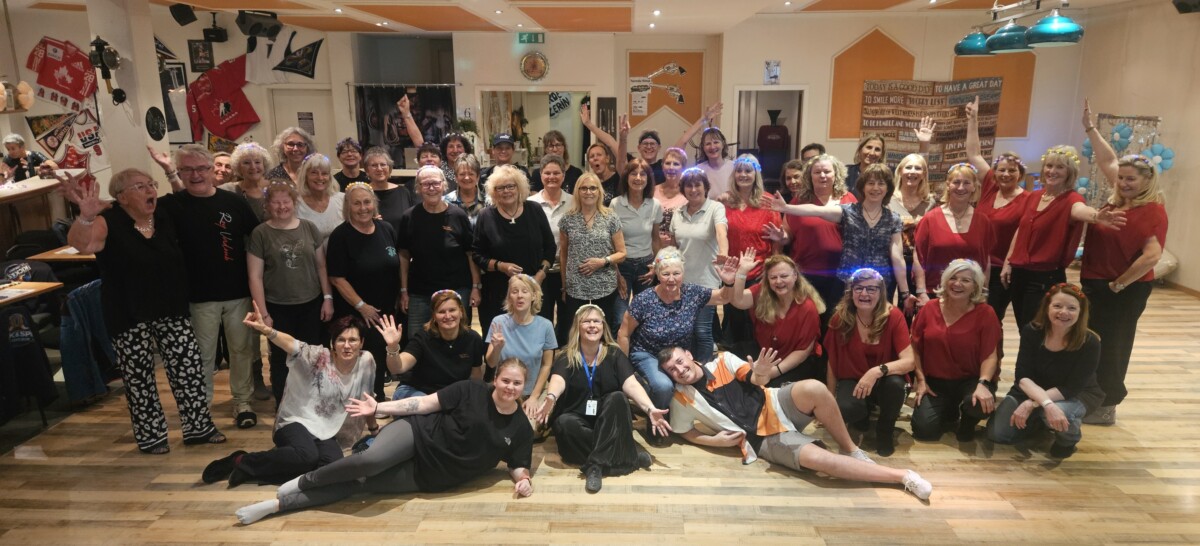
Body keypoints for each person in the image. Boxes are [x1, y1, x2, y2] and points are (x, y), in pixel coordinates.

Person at [234, 358, 535, 525]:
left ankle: (276, 506)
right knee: (370, 461)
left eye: (517, 383)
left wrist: (523, 480)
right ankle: (304, 480)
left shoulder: (521, 427)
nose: (509, 387)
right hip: (417, 434)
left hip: (432, 475)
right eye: (505, 380)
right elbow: (423, 404)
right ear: (495, 379)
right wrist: (379, 407)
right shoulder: (471, 389)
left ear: (525, 386)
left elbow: (518, 464)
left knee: (358, 485)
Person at [60, 169, 224, 454]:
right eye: (140, 186)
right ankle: (151, 436)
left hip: (171, 306)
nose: (150, 190)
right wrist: (85, 216)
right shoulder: (109, 220)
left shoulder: (163, 215)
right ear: (122, 197)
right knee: (138, 377)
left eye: (151, 184)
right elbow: (83, 244)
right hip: (127, 311)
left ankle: (199, 427)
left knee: (188, 368)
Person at [657, 346, 932, 500]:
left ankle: (850, 449)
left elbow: (756, 380)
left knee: (814, 387)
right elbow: (684, 432)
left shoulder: (723, 360)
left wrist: (761, 373)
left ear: (689, 354)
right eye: (672, 370)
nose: (680, 369)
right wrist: (713, 441)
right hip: (762, 437)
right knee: (820, 461)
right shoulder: (681, 399)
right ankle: (902, 476)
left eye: (680, 361)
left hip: (775, 402)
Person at [151, 144, 261, 428]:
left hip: (238, 292)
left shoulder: (234, 202)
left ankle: (243, 402)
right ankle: (201, 409)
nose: (195, 174)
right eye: (187, 169)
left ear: (213, 170)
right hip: (198, 296)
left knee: (241, 351)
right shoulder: (170, 205)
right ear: (179, 172)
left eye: (201, 168)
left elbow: (256, 240)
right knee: (202, 355)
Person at [204, 310, 377, 487]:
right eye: (341, 340)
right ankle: (241, 460)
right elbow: (292, 345)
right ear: (333, 343)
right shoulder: (319, 357)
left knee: (330, 467)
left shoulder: (366, 361)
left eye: (353, 340)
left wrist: (374, 430)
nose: (347, 346)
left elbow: (367, 398)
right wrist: (267, 330)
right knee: (307, 456)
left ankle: (252, 471)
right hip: (296, 420)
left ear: (361, 342)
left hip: (326, 430)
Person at [1079, 100, 1168, 426]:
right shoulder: (1120, 202)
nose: (1124, 182)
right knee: (1092, 342)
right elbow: (1108, 160)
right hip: (1096, 282)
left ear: (1147, 181)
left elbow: (1152, 256)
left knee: (1113, 347)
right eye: (1121, 178)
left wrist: (1118, 284)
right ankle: (1090, 396)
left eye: (1131, 179)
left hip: (1121, 290)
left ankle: (1107, 405)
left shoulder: (1152, 210)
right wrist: (1090, 128)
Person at [534, 305, 665, 492]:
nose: (592, 325)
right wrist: (551, 396)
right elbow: (558, 379)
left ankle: (595, 466)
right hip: (577, 419)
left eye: (596, 321)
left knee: (618, 397)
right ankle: (628, 454)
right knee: (563, 423)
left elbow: (631, 384)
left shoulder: (614, 353)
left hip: (607, 418)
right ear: (577, 327)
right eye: (586, 321)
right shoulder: (566, 356)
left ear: (603, 326)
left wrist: (649, 408)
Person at [617, 247, 739, 445]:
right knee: (663, 386)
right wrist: (623, 370)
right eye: (666, 274)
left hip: (677, 354)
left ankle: (680, 419)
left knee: (699, 378)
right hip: (647, 353)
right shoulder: (644, 300)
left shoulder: (692, 293)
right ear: (657, 275)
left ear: (683, 273)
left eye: (676, 273)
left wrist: (729, 282)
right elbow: (623, 334)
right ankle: (655, 427)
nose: (671, 279)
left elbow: (724, 297)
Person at [1000, 142, 1125, 330]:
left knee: (1038, 330)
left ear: (1070, 172)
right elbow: (1021, 231)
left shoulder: (1072, 200)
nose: (1052, 171)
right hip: (1019, 274)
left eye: (1060, 167)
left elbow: (1080, 210)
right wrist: (1008, 262)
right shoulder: (1034, 196)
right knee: (1024, 329)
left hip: (1044, 278)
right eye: (1049, 166)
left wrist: (1096, 216)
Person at [764, 163, 912, 304]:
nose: (875, 188)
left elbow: (897, 257)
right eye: (871, 183)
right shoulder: (848, 211)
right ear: (863, 186)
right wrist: (786, 208)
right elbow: (816, 210)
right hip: (847, 285)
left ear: (888, 188)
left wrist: (905, 293)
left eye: (881, 184)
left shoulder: (893, 219)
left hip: (879, 285)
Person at [988, 283, 1103, 459]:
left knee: (1060, 411)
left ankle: (1068, 440)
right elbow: (1023, 376)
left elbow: (1072, 387)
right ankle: (1041, 420)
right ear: (1047, 307)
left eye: (1071, 308)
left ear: (1081, 312)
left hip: (1074, 394)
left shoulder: (1090, 342)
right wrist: (1040, 402)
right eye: (1057, 306)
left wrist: (1035, 404)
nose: (1063, 312)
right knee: (998, 434)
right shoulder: (1032, 331)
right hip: (1031, 390)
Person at [248, 182, 334, 405]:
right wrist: (263, 314)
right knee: (281, 359)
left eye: (286, 201)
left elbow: (321, 266)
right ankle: (284, 405)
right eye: (275, 202)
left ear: (294, 203)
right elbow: (255, 276)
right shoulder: (261, 233)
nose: (281, 207)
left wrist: (327, 298)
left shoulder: (309, 228)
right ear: (267, 205)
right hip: (277, 307)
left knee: (312, 356)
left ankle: (313, 403)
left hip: (311, 304)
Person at [824, 268, 913, 456]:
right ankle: (861, 418)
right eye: (858, 288)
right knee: (846, 409)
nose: (864, 294)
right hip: (852, 379)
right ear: (851, 292)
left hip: (884, 379)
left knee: (895, 385)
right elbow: (832, 360)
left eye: (871, 289)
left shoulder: (894, 316)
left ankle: (885, 430)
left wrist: (876, 371)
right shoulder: (840, 318)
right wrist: (830, 398)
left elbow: (910, 361)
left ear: (881, 293)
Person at [910, 259, 1001, 442]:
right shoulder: (929, 308)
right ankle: (950, 409)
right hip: (936, 381)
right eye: (953, 278)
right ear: (945, 281)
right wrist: (921, 381)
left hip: (971, 379)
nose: (957, 284)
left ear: (975, 286)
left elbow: (990, 355)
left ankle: (968, 422)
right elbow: (915, 348)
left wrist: (983, 384)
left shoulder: (986, 313)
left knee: (977, 404)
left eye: (966, 280)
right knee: (924, 431)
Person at [326, 182, 400, 402]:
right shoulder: (341, 236)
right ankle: (352, 400)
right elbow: (337, 278)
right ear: (348, 206)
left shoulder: (386, 229)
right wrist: (361, 306)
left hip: (385, 308)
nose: (363, 208)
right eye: (356, 203)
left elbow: (395, 263)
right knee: (356, 356)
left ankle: (376, 398)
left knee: (379, 354)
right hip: (356, 311)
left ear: (374, 204)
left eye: (367, 202)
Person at [764, 154, 856, 328]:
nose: (822, 176)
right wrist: (782, 237)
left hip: (841, 274)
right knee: (808, 321)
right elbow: (788, 235)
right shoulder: (798, 201)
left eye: (827, 171)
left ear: (836, 174)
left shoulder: (849, 199)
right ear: (809, 176)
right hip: (807, 273)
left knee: (836, 321)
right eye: (817, 172)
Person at [963, 97, 1030, 322]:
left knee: (991, 317)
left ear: (1020, 173)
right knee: (969, 314)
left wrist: (1008, 264)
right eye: (1002, 170)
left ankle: (992, 346)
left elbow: (1023, 236)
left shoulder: (1028, 200)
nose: (1006, 174)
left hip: (1002, 269)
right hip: (976, 264)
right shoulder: (990, 186)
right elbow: (974, 154)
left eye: (1012, 170)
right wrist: (973, 120)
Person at [471, 165, 556, 340]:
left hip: (534, 288)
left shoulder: (535, 210)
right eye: (500, 188)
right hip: (498, 292)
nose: (506, 191)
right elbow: (477, 255)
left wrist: (540, 276)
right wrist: (501, 266)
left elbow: (550, 247)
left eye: (511, 186)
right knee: (501, 340)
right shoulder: (486, 215)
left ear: (519, 187)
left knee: (537, 340)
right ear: (493, 192)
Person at [398, 165, 481, 334]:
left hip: (456, 291)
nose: (431, 188)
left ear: (444, 185)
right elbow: (404, 255)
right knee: (418, 339)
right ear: (418, 188)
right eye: (426, 184)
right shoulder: (409, 217)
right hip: (420, 293)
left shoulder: (458, 215)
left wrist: (475, 287)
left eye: (435, 183)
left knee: (457, 339)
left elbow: (470, 254)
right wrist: (404, 290)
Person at [729, 251, 825, 385]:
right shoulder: (762, 293)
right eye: (773, 277)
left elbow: (802, 352)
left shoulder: (808, 308)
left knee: (767, 387)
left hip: (794, 362)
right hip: (765, 355)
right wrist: (742, 272)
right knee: (731, 363)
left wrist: (772, 372)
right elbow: (737, 301)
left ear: (795, 276)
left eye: (784, 276)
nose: (778, 281)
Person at [663, 168, 728, 364]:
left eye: (697, 185)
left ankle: (705, 371)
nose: (693, 189)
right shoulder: (678, 213)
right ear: (683, 189)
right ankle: (689, 368)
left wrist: (724, 252)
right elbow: (674, 247)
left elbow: (721, 233)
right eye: (688, 186)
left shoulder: (715, 208)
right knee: (686, 330)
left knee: (702, 330)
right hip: (681, 281)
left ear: (705, 187)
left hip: (706, 280)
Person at [910, 163, 996, 309]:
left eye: (966, 183)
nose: (961, 187)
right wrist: (921, 291)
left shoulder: (983, 221)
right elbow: (918, 258)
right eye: (956, 182)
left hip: (971, 295)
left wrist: (984, 291)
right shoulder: (930, 219)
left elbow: (985, 260)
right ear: (948, 185)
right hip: (935, 292)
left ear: (974, 187)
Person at [720, 154, 782, 356]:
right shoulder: (725, 201)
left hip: (758, 273)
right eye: (739, 170)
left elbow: (776, 242)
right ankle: (734, 363)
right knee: (734, 322)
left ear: (756, 174)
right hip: (732, 271)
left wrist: (771, 270)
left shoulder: (768, 202)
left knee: (757, 323)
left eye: (748, 170)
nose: (743, 175)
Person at [558, 172, 626, 337]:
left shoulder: (610, 217)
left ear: (599, 191)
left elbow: (622, 253)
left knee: (603, 331)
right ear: (577, 191)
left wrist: (602, 261)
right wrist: (564, 285)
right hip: (576, 286)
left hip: (604, 285)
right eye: (584, 188)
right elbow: (564, 255)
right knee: (576, 331)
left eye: (593, 188)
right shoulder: (567, 219)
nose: (588, 192)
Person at [485, 275, 557, 422]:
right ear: (509, 297)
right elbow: (491, 363)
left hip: (533, 391)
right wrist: (497, 348)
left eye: (525, 291)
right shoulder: (498, 322)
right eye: (514, 291)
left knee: (528, 427)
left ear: (534, 296)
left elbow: (547, 365)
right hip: (504, 390)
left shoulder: (545, 326)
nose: (519, 296)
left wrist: (534, 397)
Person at [389, 290, 485, 400]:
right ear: (434, 315)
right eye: (441, 312)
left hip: (451, 396)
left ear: (461, 312)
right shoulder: (423, 337)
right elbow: (398, 367)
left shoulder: (473, 338)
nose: (447, 316)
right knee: (430, 406)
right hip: (417, 392)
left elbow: (476, 377)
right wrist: (392, 347)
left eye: (452, 310)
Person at [611, 159, 662, 332]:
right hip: (622, 265)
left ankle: (640, 346)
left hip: (645, 267)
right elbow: (611, 242)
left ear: (648, 179)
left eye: (643, 174)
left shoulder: (655, 205)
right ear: (626, 177)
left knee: (645, 315)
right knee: (619, 318)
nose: (638, 178)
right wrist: (616, 272)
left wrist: (656, 265)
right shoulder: (616, 204)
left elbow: (656, 239)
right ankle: (620, 348)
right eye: (633, 173)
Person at [529, 154, 574, 330]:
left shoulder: (574, 202)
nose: (551, 177)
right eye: (547, 173)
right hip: (540, 271)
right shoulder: (530, 203)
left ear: (563, 175)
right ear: (541, 175)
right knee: (542, 318)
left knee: (566, 321)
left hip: (567, 271)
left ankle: (562, 347)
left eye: (556, 173)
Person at [889, 154, 938, 306]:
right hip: (891, 259)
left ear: (923, 174)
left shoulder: (930, 202)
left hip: (917, 262)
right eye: (908, 167)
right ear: (900, 171)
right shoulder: (888, 199)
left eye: (918, 168)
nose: (912, 172)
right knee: (886, 303)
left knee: (910, 306)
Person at [363, 146, 415, 235]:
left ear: (390, 168)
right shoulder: (362, 193)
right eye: (374, 165)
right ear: (367, 170)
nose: (379, 169)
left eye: (383, 164)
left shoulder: (403, 192)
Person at [295, 153, 344, 243]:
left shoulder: (342, 199)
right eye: (314, 173)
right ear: (305, 176)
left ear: (330, 177)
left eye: (324, 173)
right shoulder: (295, 204)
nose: (320, 178)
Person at [221, 142, 274, 221]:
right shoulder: (228, 190)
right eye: (246, 163)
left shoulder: (276, 188)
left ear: (264, 165)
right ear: (238, 167)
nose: (253, 167)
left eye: (257, 162)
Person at [445, 155, 487, 227]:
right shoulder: (446, 202)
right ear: (456, 177)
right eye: (462, 174)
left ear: (477, 177)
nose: (467, 177)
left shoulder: (488, 201)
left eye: (471, 174)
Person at [653, 147, 689, 213]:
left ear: (683, 168)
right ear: (662, 166)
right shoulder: (653, 191)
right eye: (668, 163)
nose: (671, 167)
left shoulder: (689, 193)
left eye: (676, 164)